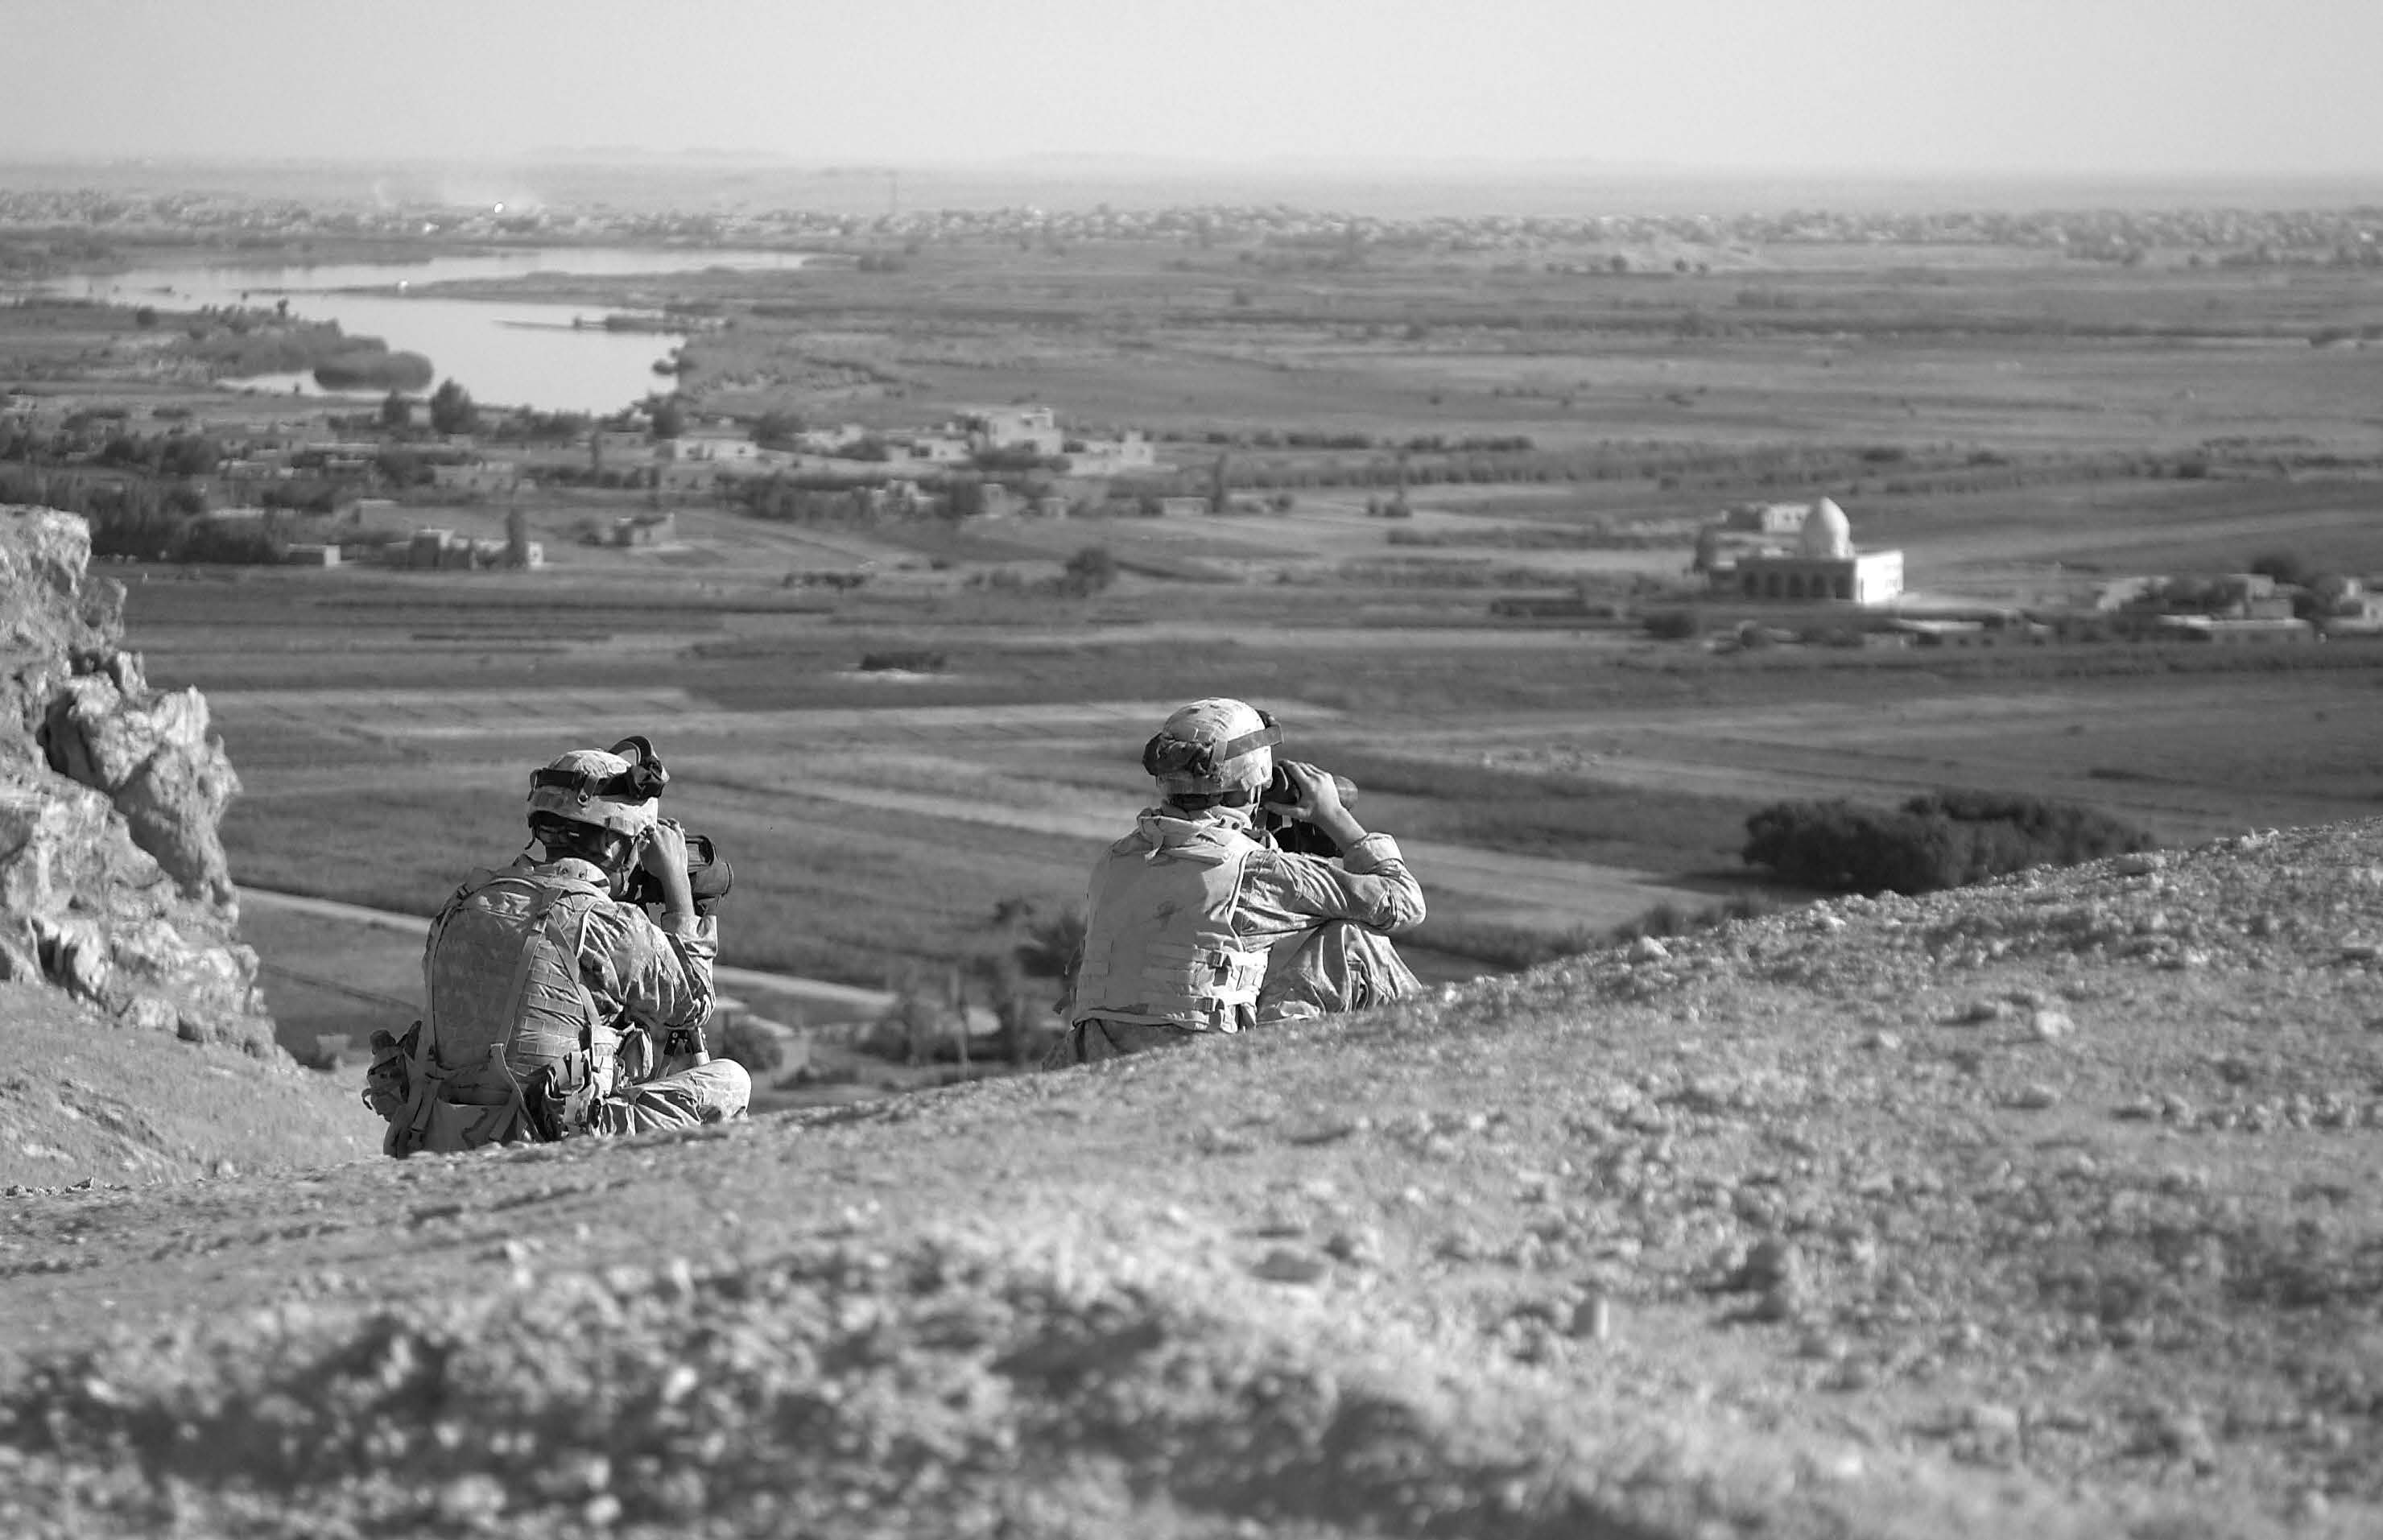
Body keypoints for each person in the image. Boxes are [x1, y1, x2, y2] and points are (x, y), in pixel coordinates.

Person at [369, 737, 748, 1155]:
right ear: (611, 844)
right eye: (638, 846)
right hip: (542, 1142)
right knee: (730, 1080)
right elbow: (694, 1002)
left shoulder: (464, 903)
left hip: (435, 1135)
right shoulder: (604, 924)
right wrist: (676, 883)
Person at [1049, 697, 1425, 1067]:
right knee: (1355, 943)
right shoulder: (1256, 873)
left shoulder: (1115, 861)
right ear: (1252, 782)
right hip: (1206, 1068)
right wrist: (1334, 816)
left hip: (1091, 1062)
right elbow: (1404, 903)